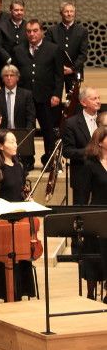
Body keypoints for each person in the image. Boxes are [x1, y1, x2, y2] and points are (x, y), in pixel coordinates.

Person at [0, 131, 36, 301]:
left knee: (21, 258)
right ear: (0, 146)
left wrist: (27, 199)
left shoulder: (19, 166)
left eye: (16, 141)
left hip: (20, 220)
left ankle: (21, 291)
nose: (15, 145)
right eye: (11, 142)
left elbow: (19, 192)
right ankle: (6, 293)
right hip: (5, 222)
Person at [13, 19, 63, 164]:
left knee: (48, 130)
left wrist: (56, 94)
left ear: (42, 32)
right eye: (28, 31)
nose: (32, 34)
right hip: (25, 97)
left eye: (35, 31)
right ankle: (27, 161)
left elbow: (59, 75)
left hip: (47, 97)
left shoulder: (54, 49)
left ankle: (50, 161)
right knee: (27, 130)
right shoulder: (18, 50)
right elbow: (16, 74)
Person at [62, 86, 102, 205]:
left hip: (102, 174)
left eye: (99, 98)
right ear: (83, 102)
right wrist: (89, 151)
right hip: (81, 174)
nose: (98, 101)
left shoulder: (104, 119)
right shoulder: (71, 123)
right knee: (80, 212)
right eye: (94, 98)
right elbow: (67, 151)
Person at [80, 127, 107, 300]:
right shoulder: (90, 165)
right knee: (95, 253)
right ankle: (90, 293)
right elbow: (83, 194)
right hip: (97, 214)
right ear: (100, 142)